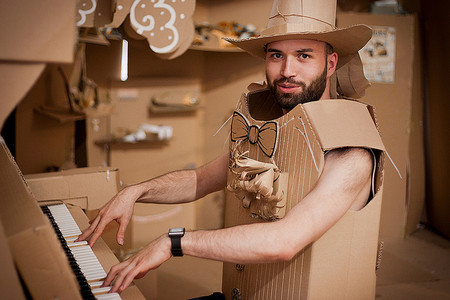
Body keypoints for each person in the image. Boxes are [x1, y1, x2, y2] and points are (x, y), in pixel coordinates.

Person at [77, 0, 385, 298]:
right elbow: (199, 179)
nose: (287, 70)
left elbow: (284, 241)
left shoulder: (351, 153)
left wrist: (173, 242)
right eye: (276, 55)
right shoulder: (280, 128)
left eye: (304, 56)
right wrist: (134, 192)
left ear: (330, 63)